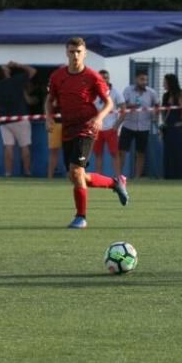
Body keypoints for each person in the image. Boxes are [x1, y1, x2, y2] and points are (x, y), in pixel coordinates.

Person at [45, 37, 129, 229]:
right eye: (72, 51)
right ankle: (115, 183)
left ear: (85, 53)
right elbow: (50, 100)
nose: (75, 55)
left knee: (76, 171)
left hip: (87, 127)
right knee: (76, 176)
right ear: (66, 52)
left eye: (79, 52)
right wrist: (49, 117)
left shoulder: (92, 76)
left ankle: (81, 217)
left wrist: (99, 118)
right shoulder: (58, 76)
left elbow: (109, 103)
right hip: (68, 129)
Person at [0, 60, 37, 177]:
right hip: (20, 119)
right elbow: (33, 71)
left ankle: (8, 173)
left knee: (8, 147)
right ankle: (27, 172)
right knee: (25, 146)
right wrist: (17, 64)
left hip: (4, 121)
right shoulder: (17, 81)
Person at [116, 69, 159, 179]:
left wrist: (155, 115)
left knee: (141, 153)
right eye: (142, 79)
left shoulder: (151, 92)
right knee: (122, 151)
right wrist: (130, 106)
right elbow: (122, 105)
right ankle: (118, 176)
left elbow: (157, 105)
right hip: (128, 125)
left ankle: (137, 177)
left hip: (144, 126)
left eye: (146, 80)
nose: (144, 82)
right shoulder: (128, 90)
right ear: (136, 79)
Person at [160, 73, 182, 180]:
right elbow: (163, 110)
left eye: (165, 82)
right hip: (168, 127)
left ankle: (181, 175)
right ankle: (169, 175)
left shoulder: (180, 94)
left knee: (179, 151)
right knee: (168, 152)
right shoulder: (165, 96)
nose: (164, 84)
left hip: (178, 127)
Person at [92, 69, 126, 177]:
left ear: (109, 78)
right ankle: (98, 178)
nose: (104, 80)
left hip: (111, 128)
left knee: (114, 154)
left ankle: (118, 178)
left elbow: (124, 110)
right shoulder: (93, 92)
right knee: (98, 154)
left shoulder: (115, 92)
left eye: (106, 77)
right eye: (101, 78)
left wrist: (117, 125)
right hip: (97, 128)